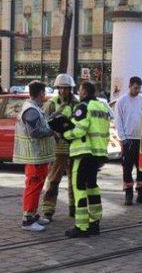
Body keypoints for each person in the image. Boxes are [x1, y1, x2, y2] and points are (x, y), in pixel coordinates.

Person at [62, 80, 110, 238]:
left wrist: (65, 134)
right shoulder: (102, 107)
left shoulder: (83, 106)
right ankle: (94, 223)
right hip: (97, 154)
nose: (78, 92)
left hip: (83, 153)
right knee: (92, 188)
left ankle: (81, 226)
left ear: (84, 92)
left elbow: (80, 129)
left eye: (79, 90)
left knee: (80, 189)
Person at [13, 81, 56, 232]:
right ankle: (28, 219)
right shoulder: (31, 110)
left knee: (36, 186)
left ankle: (32, 214)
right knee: (33, 186)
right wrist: (52, 131)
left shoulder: (35, 108)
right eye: (44, 92)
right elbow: (34, 132)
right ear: (41, 93)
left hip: (38, 157)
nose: (45, 95)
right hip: (34, 156)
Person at [41, 73, 79, 221]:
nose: (63, 91)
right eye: (61, 88)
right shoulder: (51, 104)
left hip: (74, 148)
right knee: (53, 180)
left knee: (74, 181)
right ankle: (48, 210)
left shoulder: (77, 104)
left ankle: (74, 208)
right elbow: (44, 124)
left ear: (70, 88)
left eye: (66, 88)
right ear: (57, 88)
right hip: (58, 149)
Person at [115, 76, 142, 205]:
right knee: (127, 168)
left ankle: (141, 192)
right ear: (130, 86)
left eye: (139, 88)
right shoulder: (121, 101)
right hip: (129, 139)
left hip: (141, 139)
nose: (137, 90)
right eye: (135, 88)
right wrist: (123, 138)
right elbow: (118, 121)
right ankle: (128, 193)